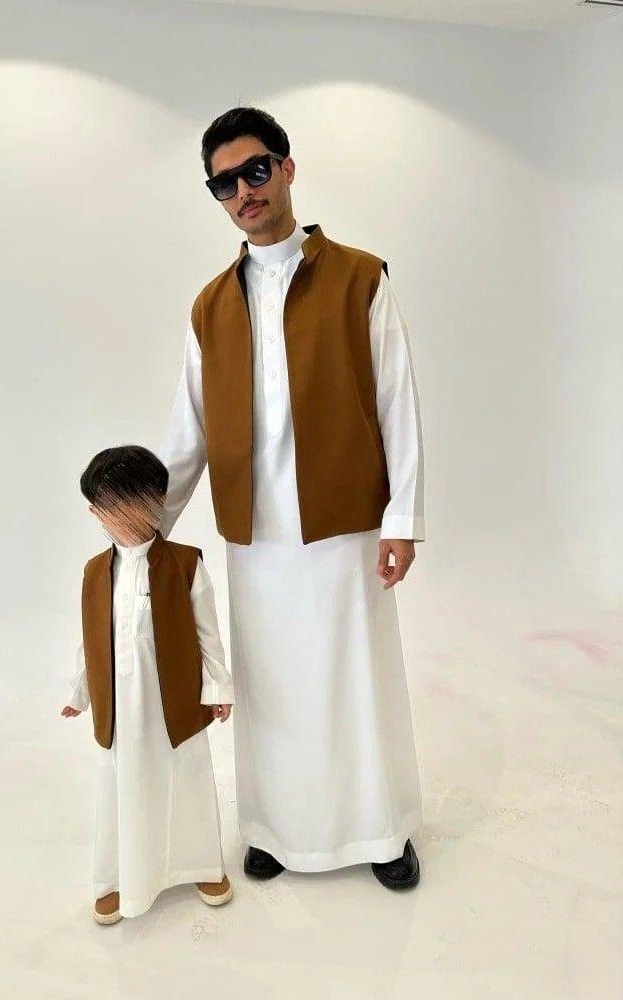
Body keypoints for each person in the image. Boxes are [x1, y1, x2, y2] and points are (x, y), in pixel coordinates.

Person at [158, 107, 424, 890]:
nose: (244, 191)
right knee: (271, 686)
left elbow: (397, 401)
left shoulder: (360, 277)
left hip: (346, 518)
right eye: (224, 183)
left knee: (356, 680)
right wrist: (147, 523)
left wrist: (402, 519)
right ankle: (273, 829)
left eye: (255, 171)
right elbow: (188, 429)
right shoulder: (210, 305)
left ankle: (381, 832)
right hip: (256, 531)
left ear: (286, 168)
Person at [61, 445, 235, 921]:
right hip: (120, 703)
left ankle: (200, 864)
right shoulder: (95, 572)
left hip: (174, 700)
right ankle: (119, 877)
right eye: (106, 507)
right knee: (122, 783)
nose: (117, 516)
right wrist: (80, 691)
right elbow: (90, 637)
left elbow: (208, 634)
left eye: (128, 502)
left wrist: (217, 688)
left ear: (155, 500)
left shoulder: (185, 563)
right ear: (95, 512)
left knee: (186, 778)